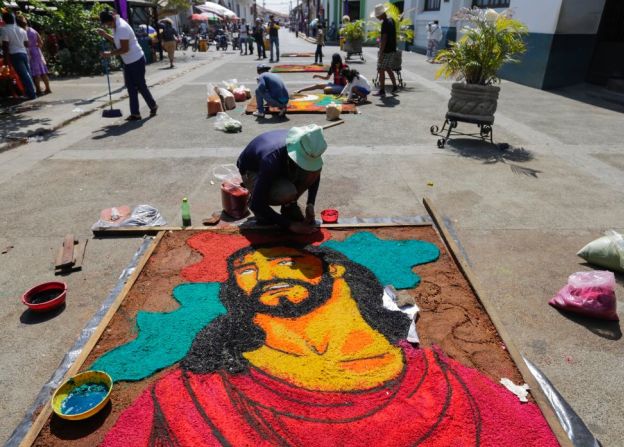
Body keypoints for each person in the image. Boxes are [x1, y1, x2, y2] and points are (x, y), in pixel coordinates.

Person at [101, 242, 561, 447]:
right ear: (235, 294)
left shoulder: (448, 383)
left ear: (334, 269)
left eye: (286, 262)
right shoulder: (191, 395)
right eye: (247, 272)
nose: (265, 274)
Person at [234, 124, 325, 233]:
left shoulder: (307, 145)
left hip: (276, 166)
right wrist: (290, 225)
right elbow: (258, 204)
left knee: (312, 171)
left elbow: (315, 171)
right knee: (286, 193)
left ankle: (289, 204)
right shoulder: (271, 159)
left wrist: (310, 203)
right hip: (253, 171)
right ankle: (254, 195)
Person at [98, 10, 158, 121]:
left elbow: (125, 49)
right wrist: (105, 35)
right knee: (131, 88)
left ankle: (153, 105)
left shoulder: (121, 27)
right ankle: (135, 114)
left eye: (108, 24)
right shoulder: (115, 25)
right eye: (106, 25)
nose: (107, 26)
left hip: (136, 60)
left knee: (140, 85)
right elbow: (117, 41)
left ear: (112, 20)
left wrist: (109, 54)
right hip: (128, 61)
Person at [1, 11, 36, 100]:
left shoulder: (4, 29)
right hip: (24, 53)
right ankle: (32, 92)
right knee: (28, 73)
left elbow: (5, 45)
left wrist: (6, 58)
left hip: (14, 54)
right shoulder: (21, 29)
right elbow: (27, 44)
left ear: (4, 20)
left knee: (23, 75)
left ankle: (31, 94)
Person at [16, 16, 51, 96]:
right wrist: (36, 48)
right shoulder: (33, 30)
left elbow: (24, 43)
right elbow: (40, 42)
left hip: (28, 52)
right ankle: (48, 88)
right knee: (43, 71)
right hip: (37, 51)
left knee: (36, 73)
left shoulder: (21, 31)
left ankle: (38, 90)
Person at [371, 3, 397, 97]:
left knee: (381, 69)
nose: (377, 17)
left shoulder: (385, 23)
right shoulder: (391, 20)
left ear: (381, 14)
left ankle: (382, 90)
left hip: (386, 50)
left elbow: (384, 39)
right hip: (392, 48)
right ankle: (394, 86)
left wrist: (381, 53)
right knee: (387, 68)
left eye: (377, 15)